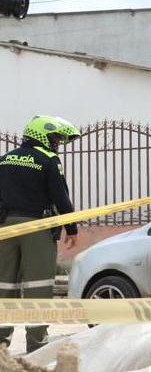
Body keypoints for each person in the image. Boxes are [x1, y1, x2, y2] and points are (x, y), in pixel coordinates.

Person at [0, 115, 80, 353]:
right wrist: (72, 227)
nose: (57, 144)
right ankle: (37, 346)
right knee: (38, 286)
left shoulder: (4, 160)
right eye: (55, 138)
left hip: (5, 228)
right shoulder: (48, 159)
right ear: (41, 135)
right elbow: (60, 196)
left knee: (4, 285)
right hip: (37, 228)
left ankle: (1, 346)